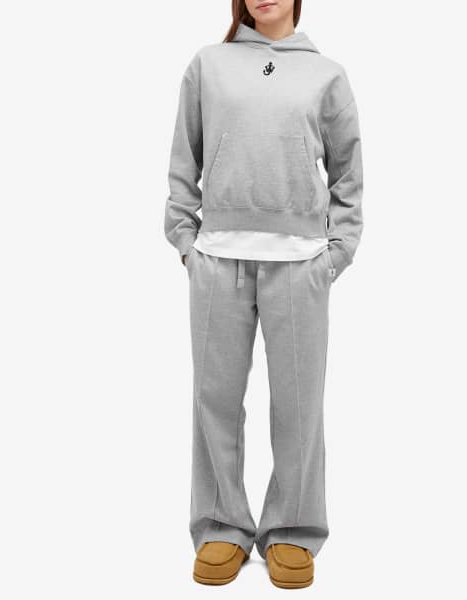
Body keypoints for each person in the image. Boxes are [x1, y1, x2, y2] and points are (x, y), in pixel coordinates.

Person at [164, 0, 363, 588]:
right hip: (218, 259)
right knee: (215, 400)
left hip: (301, 265)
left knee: (299, 404)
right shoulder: (208, 65)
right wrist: (185, 240)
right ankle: (221, 524)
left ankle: (294, 529)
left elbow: (349, 173)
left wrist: (338, 251)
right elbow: (184, 157)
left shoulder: (326, 74)